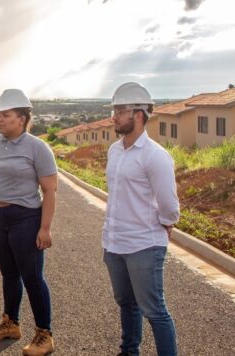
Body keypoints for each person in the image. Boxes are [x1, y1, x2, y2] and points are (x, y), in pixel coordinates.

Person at [0, 89, 58, 356]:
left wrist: (44, 228)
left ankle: (44, 335)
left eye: (5, 115)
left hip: (25, 219)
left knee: (32, 277)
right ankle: (11, 323)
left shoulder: (37, 148)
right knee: (8, 274)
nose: (0, 119)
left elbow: (50, 190)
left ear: (21, 118)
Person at [103, 82, 180, 356]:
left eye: (119, 111)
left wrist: (165, 222)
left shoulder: (155, 156)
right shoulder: (114, 150)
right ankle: (129, 351)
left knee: (155, 311)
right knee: (127, 304)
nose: (114, 117)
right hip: (114, 243)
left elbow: (169, 206)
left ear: (138, 114)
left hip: (144, 245)